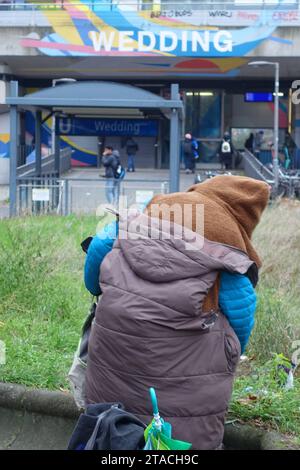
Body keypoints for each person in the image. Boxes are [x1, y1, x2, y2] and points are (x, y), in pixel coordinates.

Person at [83, 175, 269, 450]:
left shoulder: (156, 209)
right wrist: (225, 352)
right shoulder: (227, 249)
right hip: (184, 404)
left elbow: (98, 250)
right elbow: (240, 322)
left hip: (109, 377)